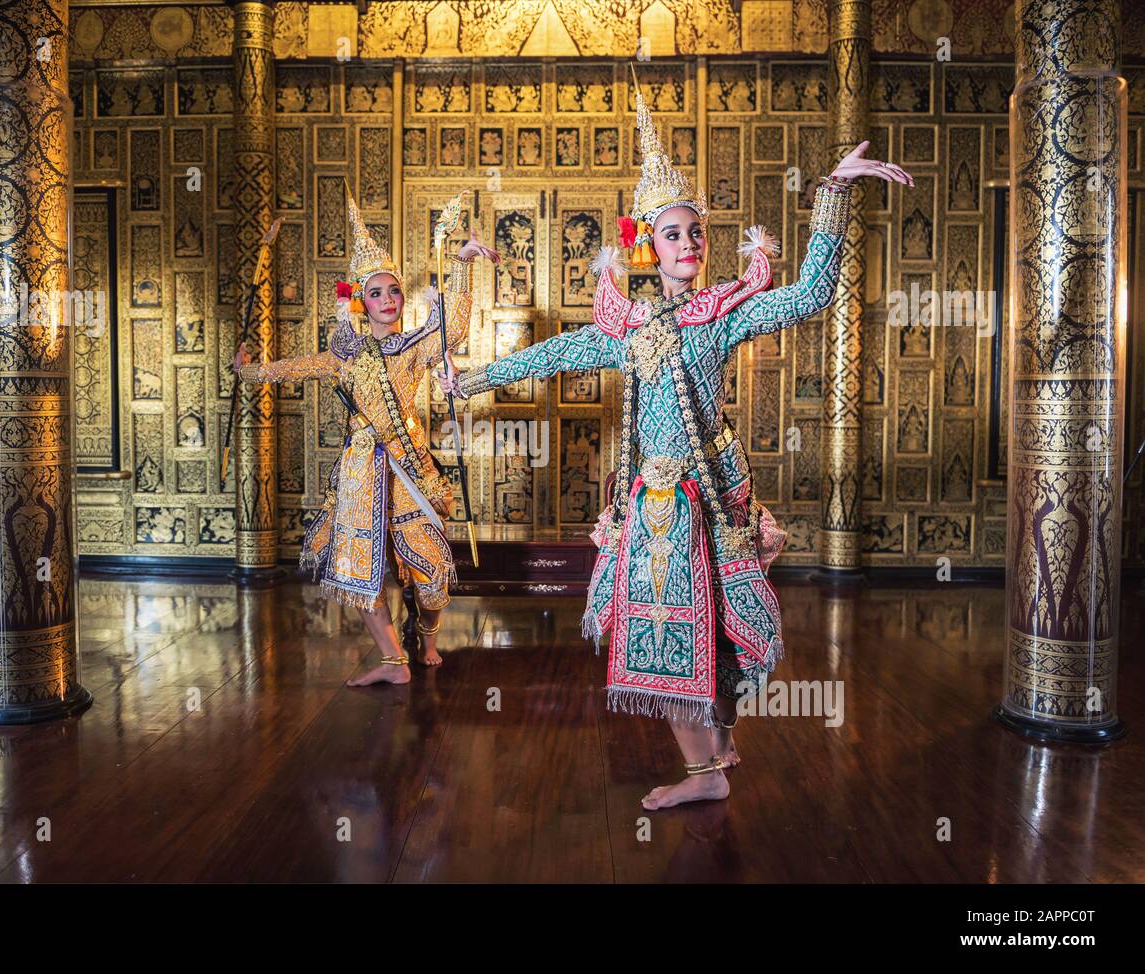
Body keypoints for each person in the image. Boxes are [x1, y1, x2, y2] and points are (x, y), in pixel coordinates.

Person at [441, 84, 910, 807]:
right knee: (663, 630)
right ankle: (706, 767)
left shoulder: (719, 316)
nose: (688, 244)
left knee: (724, 628)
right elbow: (550, 355)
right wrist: (469, 381)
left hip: (712, 495)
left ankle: (710, 765)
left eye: (696, 233)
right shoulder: (626, 328)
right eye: (673, 234)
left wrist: (832, 194)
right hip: (654, 507)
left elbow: (813, 293)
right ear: (647, 245)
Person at [235, 190, 499, 685]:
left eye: (393, 291)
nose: (388, 300)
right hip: (360, 472)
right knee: (359, 569)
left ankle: (428, 636)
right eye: (376, 293)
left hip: (408, 467)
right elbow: (294, 367)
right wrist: (249, 372)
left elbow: (453, 329)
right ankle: (393, 661)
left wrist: (462, 264)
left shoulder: (413, 347)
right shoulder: (346, 355)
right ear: (361, 300)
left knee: (432, 573)